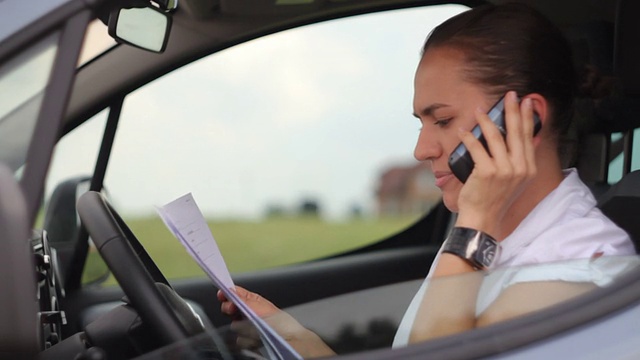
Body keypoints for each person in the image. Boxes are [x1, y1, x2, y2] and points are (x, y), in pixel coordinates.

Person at [218, 2, 635, 357]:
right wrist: (293, 338)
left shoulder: (581, 270)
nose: (421, 150)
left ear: (526, 120)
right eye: (422, 122)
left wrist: (474, 227)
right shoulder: (490, 230)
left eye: (443, 120)